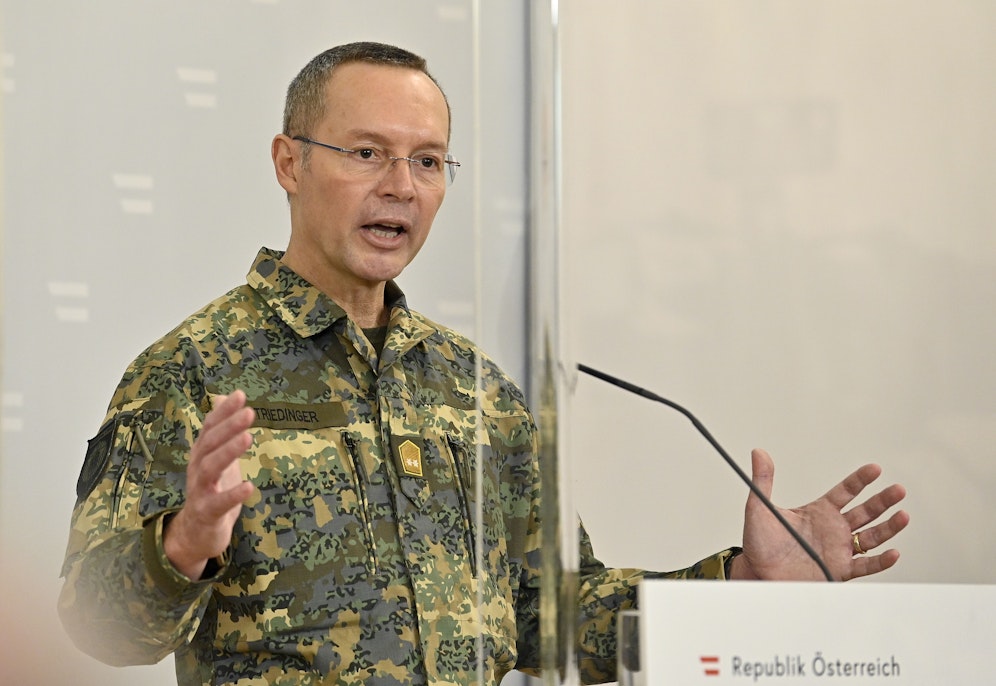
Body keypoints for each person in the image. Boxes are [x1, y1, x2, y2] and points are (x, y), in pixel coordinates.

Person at [58, 42, 909, 686]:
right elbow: (97, 629)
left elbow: (557, 615)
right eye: (365, 152)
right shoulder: (193, 370)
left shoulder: (472, 389)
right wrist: (183, 547)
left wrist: (741, 581)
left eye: (427, 161)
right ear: (290, 162)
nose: (400, 184)